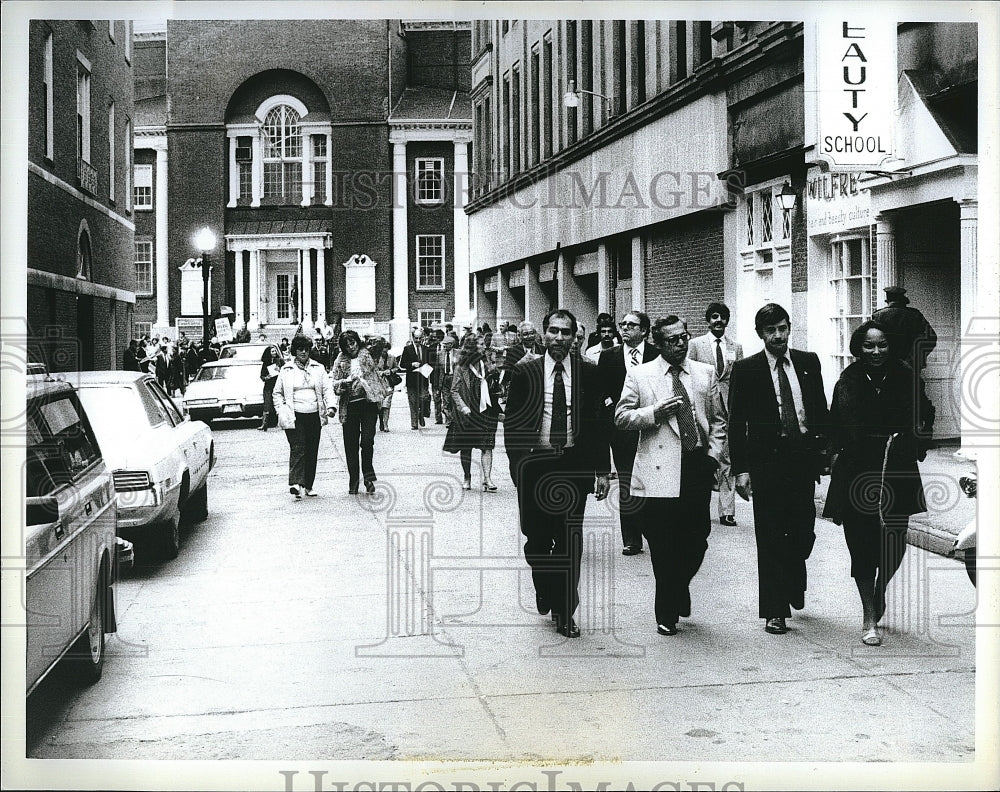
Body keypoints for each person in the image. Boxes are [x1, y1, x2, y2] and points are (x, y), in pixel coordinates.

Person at [615, 315, 726, 635]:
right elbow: (621, 417)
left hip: (695, 466)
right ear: (659, 344)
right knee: (662, 544)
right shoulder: (641, 374)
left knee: (697, 540)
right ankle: (666, 610)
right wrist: (653, 413)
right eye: (673, 340)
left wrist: (713, 456)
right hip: (657, 471)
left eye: (684, 337)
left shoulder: (705, 374)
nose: (680, 344)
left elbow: (719, 420)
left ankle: (679, 586)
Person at [504, 308, 611, 638]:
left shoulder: (589, 373)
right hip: (536, 466)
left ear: (575, 336)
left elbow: (597, 425)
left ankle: (566, 610)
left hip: (573, 465)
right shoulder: (526, 373)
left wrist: (602, 471)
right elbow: (513, 426)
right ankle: (546, 584)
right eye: (553, 331)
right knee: (536, 540)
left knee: (569, 540)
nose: (559, 338)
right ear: (544, 334)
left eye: (566, 332)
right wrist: (519, 468)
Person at [823, 320, 930, 646]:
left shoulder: (906, 376)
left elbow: (925, 412)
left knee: (895, 541)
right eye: (869, 345)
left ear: (890, 346)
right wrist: (830, 458)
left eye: (881, 344)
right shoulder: (848, 380)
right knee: (862, 543)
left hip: (896, 464)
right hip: (858, 469)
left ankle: (880, 589)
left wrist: (916, 438)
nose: (876, 351)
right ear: (859, 347)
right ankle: (869, 614)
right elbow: (835, 424)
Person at [728, 303, 830, 636]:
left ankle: (794, 576)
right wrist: (740, 470)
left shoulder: (807, 362)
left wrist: (826, 451)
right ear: (760, 335)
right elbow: (736, 423)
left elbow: (818, 408)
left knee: (803, 532)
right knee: (770, 535)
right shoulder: (746, 370)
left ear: (789, 328)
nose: (778, 336)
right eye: (771, 331)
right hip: (767, 463)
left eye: (783, 328)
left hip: (802, 460)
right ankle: (774, 609)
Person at [597, 310, 660, 555]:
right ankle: (631, 538)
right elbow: (602, 391)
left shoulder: (656, 355)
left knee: (652, 480)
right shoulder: (609, 356)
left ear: (643, 330)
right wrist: (612, 409)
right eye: (622, 324)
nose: (624, 328)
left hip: (651, 426)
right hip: (621, 428)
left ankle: (653, 531)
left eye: (631, 325)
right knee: (626, 480)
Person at [688, 302, 744, 527]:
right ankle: (698, 505)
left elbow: (739, 376)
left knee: (727, 457)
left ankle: (727, 511)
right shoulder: (696, 344)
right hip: (704, 407)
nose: (718, 321)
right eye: (714, 317)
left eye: (722, 317)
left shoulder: (735, 347)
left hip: (728, 407)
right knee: (704, 455)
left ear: (727, 321)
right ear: (708, 320)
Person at [272, 335, 336, 499]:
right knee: (298, 447)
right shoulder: (286, 370)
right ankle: (295, 483)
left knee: (312, 449)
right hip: (294, 415)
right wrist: (281, 410)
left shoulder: (318, 368)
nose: (303, 352)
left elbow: (327, 389)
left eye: (306, 349)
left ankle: (308, 485)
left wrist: (330, 406)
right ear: (295, 351)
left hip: (314, 414)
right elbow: (277, 393)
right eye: (300, 349)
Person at [444, 333, 502, 491]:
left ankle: (487, 479)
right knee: (466, 447)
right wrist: (462, 406)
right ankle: (467, 477)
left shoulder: (487, 362)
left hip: (486, 409)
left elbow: (495, 383)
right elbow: (454, 391)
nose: (485, 346)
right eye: (481, 344)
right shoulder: (461, 366)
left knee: (487, 445)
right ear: (473, 347)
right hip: (468, 412)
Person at [331, 330, 385, 495]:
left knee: (367, 441)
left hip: (368, 403)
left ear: (357, 341)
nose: (351, 347)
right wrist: (344, 383)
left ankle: (368, 476)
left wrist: (365, 338)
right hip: (350, 405)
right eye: (347, 345)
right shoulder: (340, 360)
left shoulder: (367, 353)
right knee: (351, 445)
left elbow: (381, 341)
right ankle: (353, 479)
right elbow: (334, 384)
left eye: (353, 343)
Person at [870, 286, 937, 371]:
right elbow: (930, 338)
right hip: (911, 366)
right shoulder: (915, 315)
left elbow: (872, 341)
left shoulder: (878, 316)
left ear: (888, 300)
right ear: (903, 300)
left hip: (885, 365)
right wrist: (913, 358)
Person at [399, 326, 430, 429]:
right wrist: (412, 364)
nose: (418, 340)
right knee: (413, 402)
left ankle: (421, 414)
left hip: (423, 379)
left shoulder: (426, 349)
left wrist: (427, 367)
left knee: (424, 398)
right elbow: (402, 364)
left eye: (420, 338)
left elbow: (430, 363)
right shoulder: (407, 349)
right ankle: (414, 423)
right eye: (416, 338)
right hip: (412, 379)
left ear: (423, 338)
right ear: (412, 337)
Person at [367, 335, 397, 432]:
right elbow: (371, 370)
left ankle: (385, 424)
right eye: (383, 350)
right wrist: (380, 373)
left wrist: (391, 371)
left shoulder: (392, 358)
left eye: (386, 350)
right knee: (379, 405)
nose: (384, 352)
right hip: (378, 384)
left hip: (389, 384)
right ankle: (380, 421)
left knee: (387, 405)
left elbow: (397, 368)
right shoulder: (375, 358)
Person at [258, 343, 283, 431]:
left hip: (278, 385)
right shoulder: (266, 363)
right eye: (272, 351)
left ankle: (281, 422)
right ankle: (264, 424)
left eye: (275, 351)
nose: (274, 352)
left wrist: (279, 370)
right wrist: (266, 377)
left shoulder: (280, 361)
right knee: (267, 404)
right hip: (268, 386)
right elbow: (261, 376)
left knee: (279, 404)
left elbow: (285, 372)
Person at [437, 334, 457, 425]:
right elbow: (438, 370)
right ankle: (449, 420)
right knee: (446, 400)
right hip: (444, 378)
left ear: (451, 344)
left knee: (454, 400)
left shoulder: (458, 353)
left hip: (455, 378)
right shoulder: (440, 354)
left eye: (446, 344)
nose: (444, 346)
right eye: (443, 344)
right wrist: (437, 384)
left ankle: (454, 419)